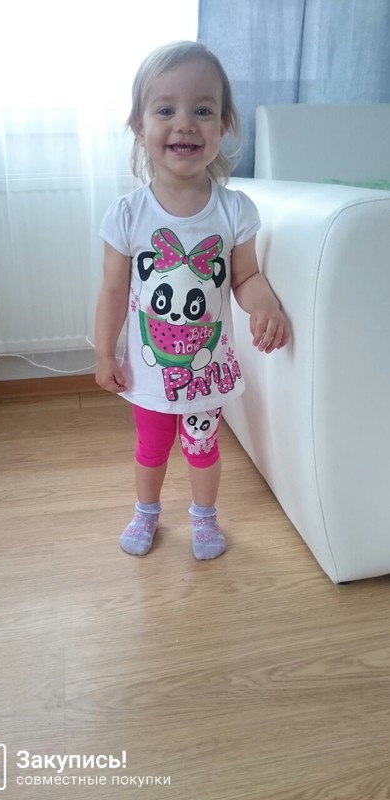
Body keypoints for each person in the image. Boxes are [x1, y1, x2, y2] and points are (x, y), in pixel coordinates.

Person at [95, 40, 290, 560]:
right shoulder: (127, 215)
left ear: (223, 125)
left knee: (203, 448)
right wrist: (103, 353)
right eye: (166, 110)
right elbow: (113, 290)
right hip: (148, 372)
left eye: (202, 111)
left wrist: (265, 305)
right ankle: (147, 512)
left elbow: (245, 277)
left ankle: (204, 518)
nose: (184, 124)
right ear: (139, 125)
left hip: (205, 371)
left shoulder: (235, 210)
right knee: (151, 448)